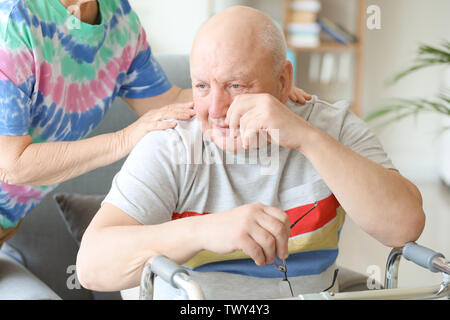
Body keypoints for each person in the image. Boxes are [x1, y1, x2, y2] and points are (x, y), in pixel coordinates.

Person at [76, 6, 425, 299]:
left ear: (284, 82)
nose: (215, 108)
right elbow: (92, 267)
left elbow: (404, 227)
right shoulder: (172, 142)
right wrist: (205, 232)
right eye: (201, 86)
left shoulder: (331, 127)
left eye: (235, 85)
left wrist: (307, 138)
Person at [0, 0, 313, 250]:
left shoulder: (117, 17)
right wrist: (125, 139)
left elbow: (169, 99)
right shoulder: (13, 20)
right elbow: (12, 165)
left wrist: (264, 90)